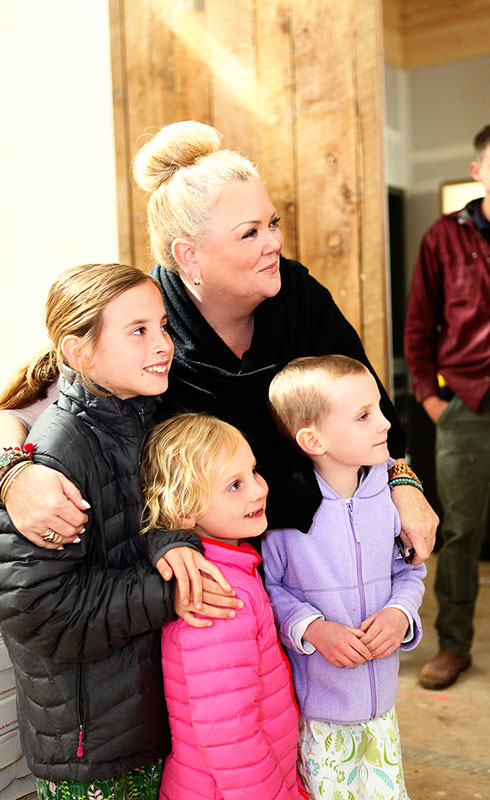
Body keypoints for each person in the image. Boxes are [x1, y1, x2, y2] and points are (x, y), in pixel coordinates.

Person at [0, 121, 437, 581]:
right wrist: (12, 474)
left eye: (273, 223)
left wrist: (405, 484)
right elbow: (24, 406)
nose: (274, 243)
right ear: (188, 255)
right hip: (212, 575)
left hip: (316, 556)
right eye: (250, 233)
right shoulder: (146, 323)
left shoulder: (300, 297)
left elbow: (375, 410)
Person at [0, 263, 227, 798]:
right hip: (91, 744)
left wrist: (174, 542)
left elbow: (138, 519)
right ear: (81, 353)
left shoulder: (137, 413)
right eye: (139, 331)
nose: (163, 344)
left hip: (136, 713)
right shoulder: (58, 454)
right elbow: (41, 611)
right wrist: (170, 593)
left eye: (163, 326)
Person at [403, 120, 490, 695]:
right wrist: (430, 399)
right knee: (459, 532)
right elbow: (419, 323)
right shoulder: (443, 237)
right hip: (464, 407)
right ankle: (454, 645)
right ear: (479, 170)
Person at [262, 355, 426, 800]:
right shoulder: (285, 518)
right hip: (319, 718)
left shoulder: (388, 496)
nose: (384, 424)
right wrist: (313, 628)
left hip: (383, 714)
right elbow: (268, 591)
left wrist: (399, 613)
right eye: (364, 415)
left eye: (378, 408)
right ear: (313, 439)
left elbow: (408, 570)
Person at [139, 412, 309, 799]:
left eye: (253, 472)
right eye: (234, 485)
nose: (257, 490)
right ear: (184, 509)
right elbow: (230, 736)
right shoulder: (216, 596)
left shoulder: (232, 568)